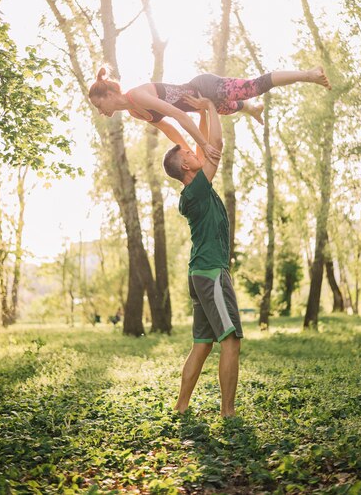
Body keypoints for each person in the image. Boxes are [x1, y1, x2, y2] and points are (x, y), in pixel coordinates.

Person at [162, 94, 242, 417]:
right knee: (231, 340)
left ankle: (181, 406)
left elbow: (206, 142)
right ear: (184, 164)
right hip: (210, 273)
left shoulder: (197, 189)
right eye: (187, 150)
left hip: (200, 274)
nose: (194, 151)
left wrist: (202, 112)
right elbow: (216, 145)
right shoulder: (195, 189)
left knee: (203, 343)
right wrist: (211, 104)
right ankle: (228, 412)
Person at [88, 66, 331, 162]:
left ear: (108, 95)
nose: (101, 112)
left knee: (251, 88)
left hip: (203, 87)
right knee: (227, 108)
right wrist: (188, 150)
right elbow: (170, 129)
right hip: (200, 104)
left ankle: (308, 75)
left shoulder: (135, 96)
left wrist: (203, 144)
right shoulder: (134, 113)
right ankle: (253, 110)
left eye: (99, 105)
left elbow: (178, 115)